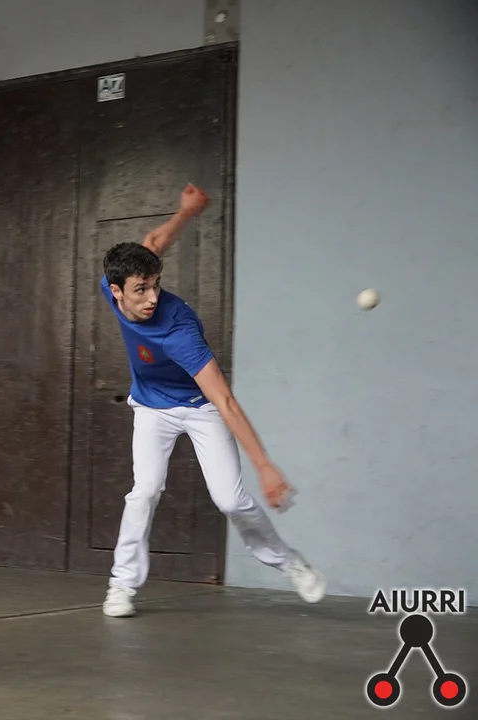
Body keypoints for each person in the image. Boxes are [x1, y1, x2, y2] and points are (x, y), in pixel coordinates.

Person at [100, 183, 327, 618]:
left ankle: (289, 562)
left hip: (200, 408)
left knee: (231, 501)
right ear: (116, 291)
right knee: (143, 491)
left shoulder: (178, 330)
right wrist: (185, 212)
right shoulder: (117, 281)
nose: (152, 298)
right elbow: (153, 242)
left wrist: (263, 465)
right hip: (151, 406)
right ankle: (121, 586)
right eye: (141, 289)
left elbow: (224, 401)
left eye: (156, 286)